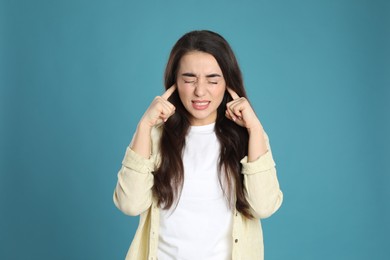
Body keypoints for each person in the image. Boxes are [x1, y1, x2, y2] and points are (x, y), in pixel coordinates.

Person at [113, 30, 283, 260]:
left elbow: (263, 207)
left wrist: (254, 129)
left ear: (227, 83)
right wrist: (144, 126)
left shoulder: (249, 137)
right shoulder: (154, 135)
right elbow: (130, 205)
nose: (200, 91)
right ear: (174, 82)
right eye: (189, 79)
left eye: (212, 80)